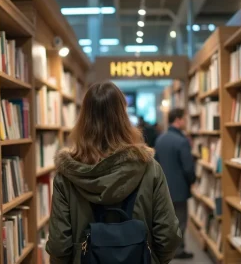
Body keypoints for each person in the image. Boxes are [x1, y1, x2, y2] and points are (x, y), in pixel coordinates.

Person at [46, 82, 181, 264]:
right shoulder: (149, 168)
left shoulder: (67, 174)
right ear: (123, 117)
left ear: (83, 118)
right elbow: (169, 235)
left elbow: (58, 245)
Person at [155, 108, 196, 260]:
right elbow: (188, 168)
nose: (185, 122)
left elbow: (156, 164)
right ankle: (178, 251)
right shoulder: (182, 141)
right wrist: (192, 181)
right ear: (178, 120)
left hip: (163, 189)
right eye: (184, 119)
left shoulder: (160, 139)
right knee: (180, 221)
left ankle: (165, 249)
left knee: (166, 221)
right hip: (179, 190)